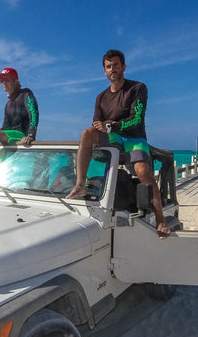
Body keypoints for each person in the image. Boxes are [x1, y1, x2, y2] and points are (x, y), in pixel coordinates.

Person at [66, 49, 170, 238]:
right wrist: (101, 126)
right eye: (108, 66)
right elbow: (96, 123)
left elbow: (136, 118)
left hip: (134, 137)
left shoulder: (138, 88)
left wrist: (113, 125)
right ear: (104, 71)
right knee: (87, 133)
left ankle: (161, 218)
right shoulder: (100, 97)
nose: (112, 69)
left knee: (143, 172)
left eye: (115, 65)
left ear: (123, 67)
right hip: (112, 136)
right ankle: (80, 183)